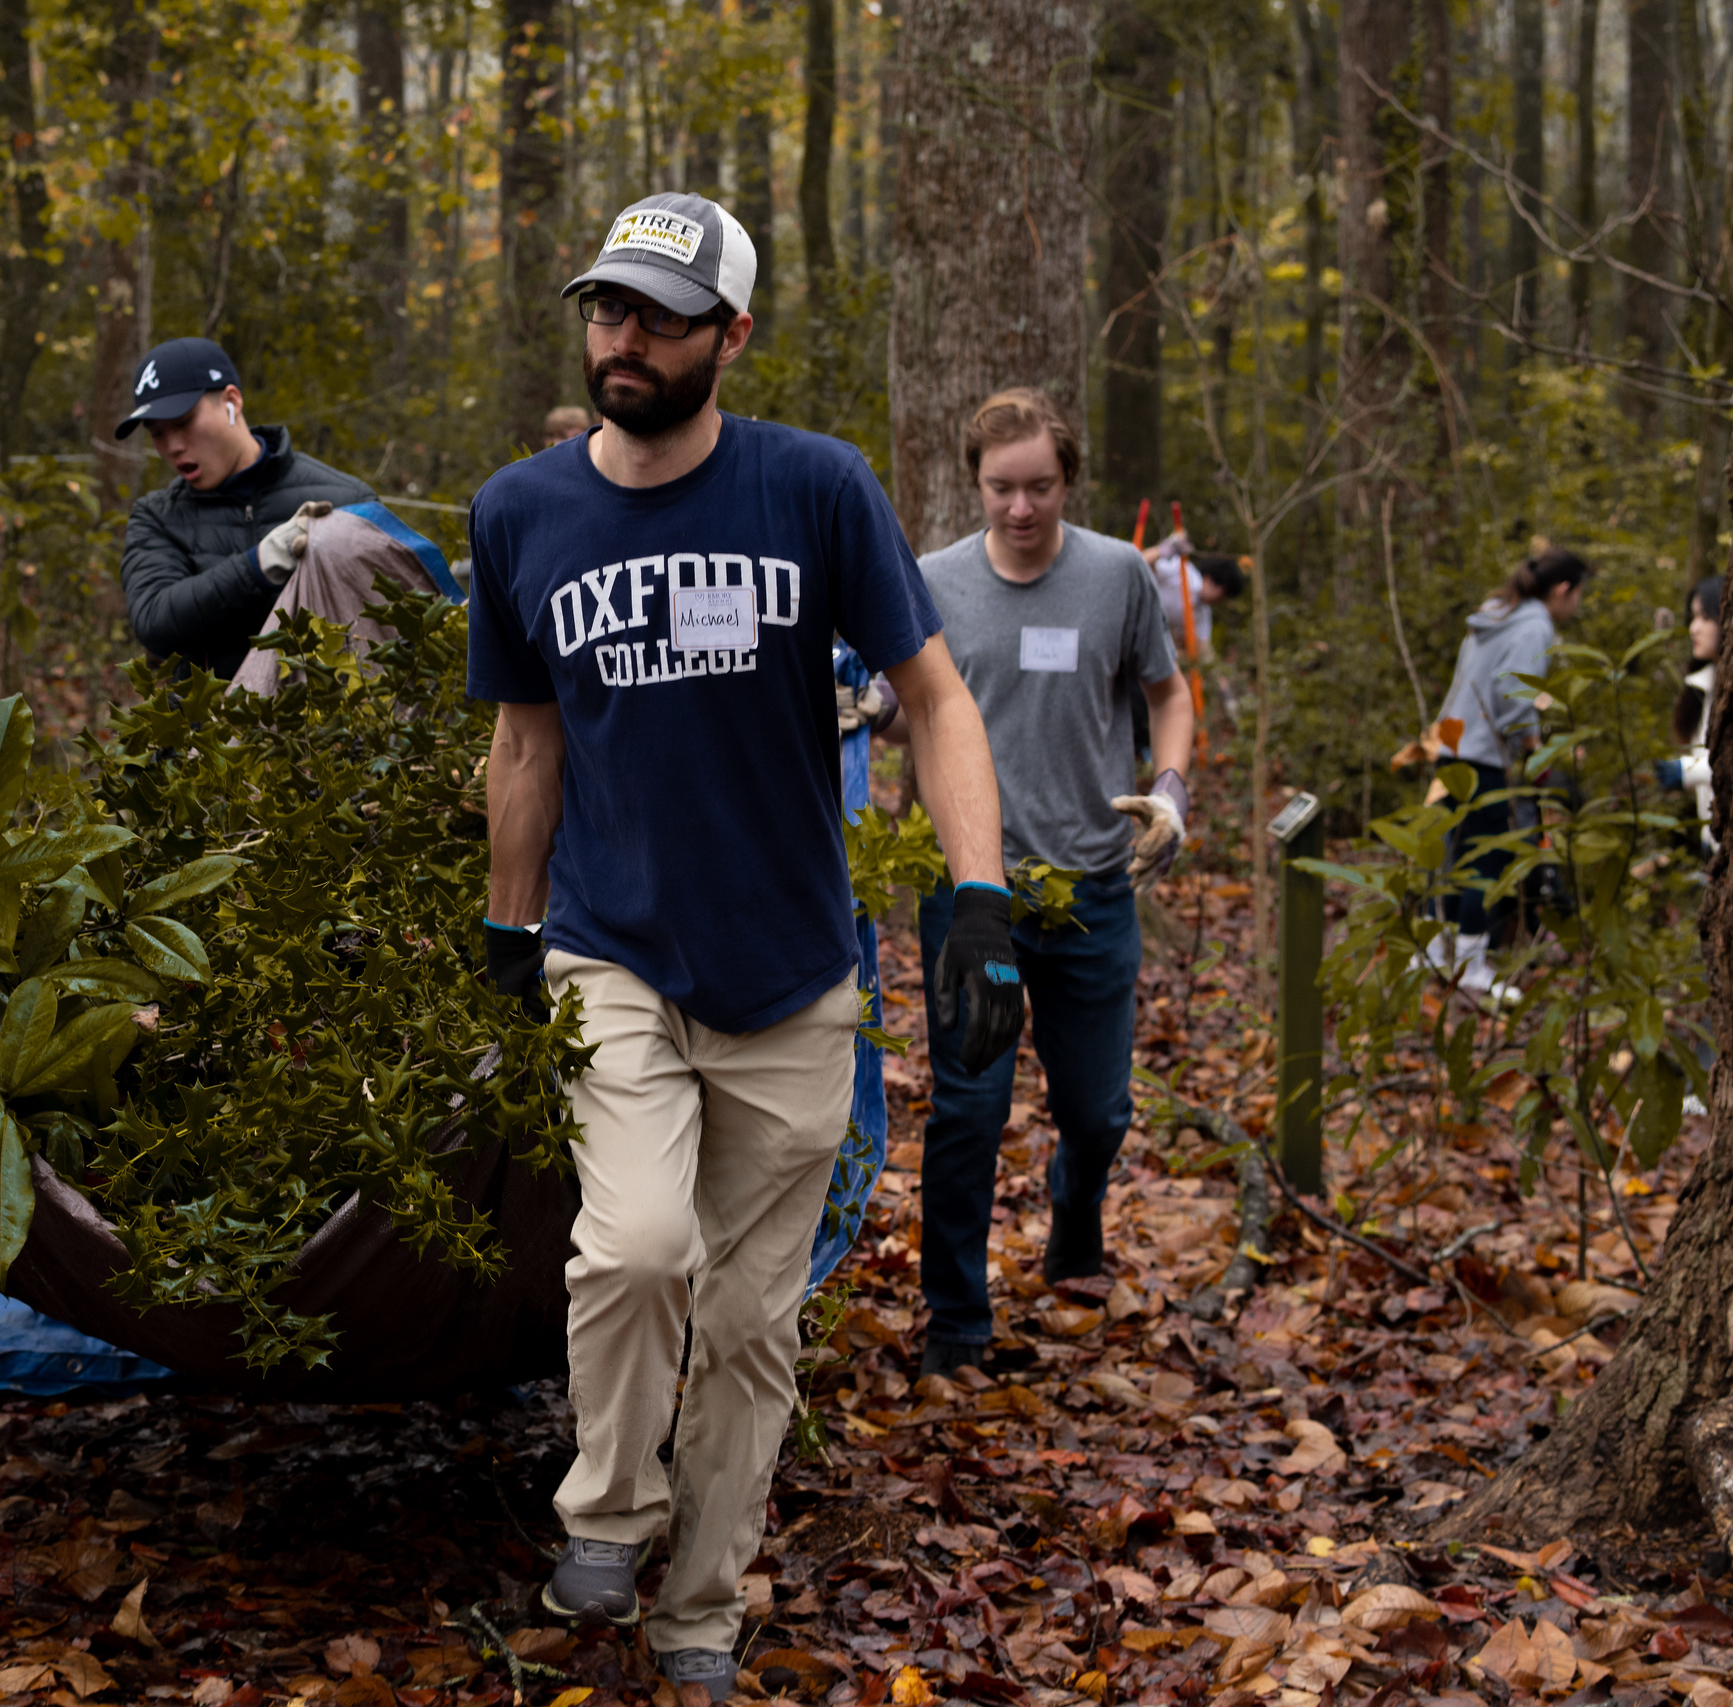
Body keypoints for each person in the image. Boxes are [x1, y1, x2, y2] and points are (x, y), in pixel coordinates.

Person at [467, 192, 1023, 1704]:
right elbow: (526, 746)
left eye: (656, 313)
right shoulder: (522, 511)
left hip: (789, 974)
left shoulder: (815, 490)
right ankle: (604, 1512)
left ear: (733, 334)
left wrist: (979, 896)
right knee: (638, 1244)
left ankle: (698, 1608)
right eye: (605, 308)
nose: (622, 338)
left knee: (755, 1326)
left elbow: (937, 698)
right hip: (614, 948)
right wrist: (507, 936)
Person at [882, 387, 1194, 1378]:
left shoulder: (1115, 577)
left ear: (1069, 479)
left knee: (1097, 1111)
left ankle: (1075, 1203)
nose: (1020, 509)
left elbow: (1167, 691)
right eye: (1000, 488)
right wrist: (859, 710)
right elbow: (907, 714)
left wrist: (1171, 791)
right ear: (973, 481)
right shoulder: (928, 582)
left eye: (1041, 488)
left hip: (1093, 886)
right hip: (975, 894)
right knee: (969, 1108)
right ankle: (957, 1320)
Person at [115, 337, 374, 677]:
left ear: (231, 402)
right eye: (157, 433)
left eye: (182, 423)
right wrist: (259, 566)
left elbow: (385, 623)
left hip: (323, 725)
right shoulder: (158, 517)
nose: (173, 446)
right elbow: (155, 621)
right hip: (211, 728)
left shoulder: (343, 498)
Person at [1430, 548, 1591, 999]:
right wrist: (1534, 752)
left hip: (1452, 745)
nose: (1576, 605)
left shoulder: (1495, 616)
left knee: (1452, 852)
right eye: (1578, 594)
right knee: (1486, 857)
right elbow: (1515, 696)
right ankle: (1470, 964)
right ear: (1563, 589)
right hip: (1481, 755)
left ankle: (1436, 951)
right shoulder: (1534, 625)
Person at [1658, 576, 1720, 848]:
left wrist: (1686, 771)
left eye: (1705, 618)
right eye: (1693, 618)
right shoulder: (1702, 685)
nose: (1694, 628)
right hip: (1712, 840)